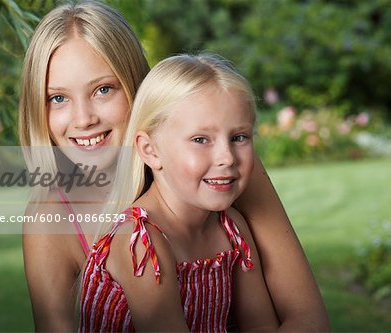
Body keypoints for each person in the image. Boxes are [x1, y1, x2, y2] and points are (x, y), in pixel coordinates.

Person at [19, 1, 329, 332]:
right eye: (58, 98)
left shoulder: (220, 166)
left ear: (138, 89)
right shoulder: (52, 220)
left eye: (103, 89)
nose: (83, 119)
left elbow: (306, 318)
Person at [79, 53, 280, 332]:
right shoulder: (140, 242)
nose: (227, 157)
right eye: (200, 140)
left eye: (239, 137)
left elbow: (260, 327)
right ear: (150, 150)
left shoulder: (232, 228)